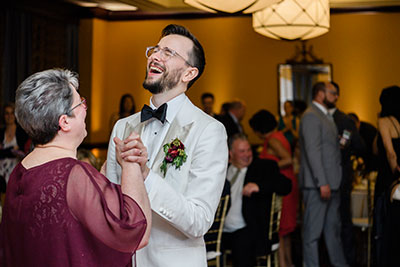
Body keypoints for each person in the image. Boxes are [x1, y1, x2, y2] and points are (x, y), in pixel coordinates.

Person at [0, 69, 151, 266]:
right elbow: (135, 232)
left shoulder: (20, 171)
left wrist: (101, 178)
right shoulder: (72, 173)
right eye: (81, 103)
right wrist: (131, 162)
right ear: (64, 122)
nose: (85, 109)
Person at [106, 24, 228, 267]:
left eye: (168, 53)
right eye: (155, 49)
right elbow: (110, 203)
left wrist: (145, 175)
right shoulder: (123, 126)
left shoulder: (209, 131)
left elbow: (199, 221)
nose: (155, 56)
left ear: (188, 74)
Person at [222, 134, 291, 267]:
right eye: (242, 151)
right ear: (231, 153)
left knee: (242, 244)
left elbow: (286, 185)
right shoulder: (223, 170)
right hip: (221, 230)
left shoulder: (262, 167)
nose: (247, 154)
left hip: (249, 229)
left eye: (249, 150)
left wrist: (259, 187)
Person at [299, 81, 348, 267]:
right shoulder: (311, 116)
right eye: (333, 93)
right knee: (312, 235)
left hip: (330, 183)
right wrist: (322, 183)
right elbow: (313, 151)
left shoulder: (324, 116)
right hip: (318, 185)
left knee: (332, 232)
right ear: (320, 94)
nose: (336, 97)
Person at [249, 109, 298, 267]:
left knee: (280, 231)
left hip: (282, 186)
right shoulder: (279, 136)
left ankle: (283, 264)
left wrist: (268, 167)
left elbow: (288, 159)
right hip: (285, 182)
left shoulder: (272, 140)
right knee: (285, 233)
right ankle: (288, 263)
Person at [328, 82, 365, 266]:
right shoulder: (317, 118)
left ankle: (347, 260)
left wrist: (343, 146)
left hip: (341, 177)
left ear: (336, 96)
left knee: (343, 219)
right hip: (323, 180)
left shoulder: (344, 120)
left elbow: (358, 146)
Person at [373, 85, 400, 266]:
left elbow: (389, 152)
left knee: (384, 222)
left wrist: (395, 170)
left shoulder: (384, 122)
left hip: (389, 178)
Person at [0, 103, 29, 197]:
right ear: (3, 116)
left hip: (16, 172)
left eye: (12, 113)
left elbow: (25, 152)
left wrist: (5, 151)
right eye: (7, 113)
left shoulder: (22, 132)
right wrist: (11, 150)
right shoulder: (1, 132)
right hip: (1, 171)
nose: (9, 116)